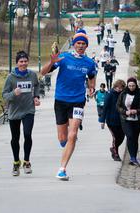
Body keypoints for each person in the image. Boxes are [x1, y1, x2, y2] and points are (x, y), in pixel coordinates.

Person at [41, 32, 97, 181]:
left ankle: (62, 169)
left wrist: (92, 88)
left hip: (78, 101)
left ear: (86, 46)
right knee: (63, 138)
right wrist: (52, 62)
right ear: (74, 44)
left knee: (73, 135)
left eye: (83, 44)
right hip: (61, 100)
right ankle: (67, 140)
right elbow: (42, 72)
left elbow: (92, 77)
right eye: (78, 43)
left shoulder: (89, 63)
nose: (81, 46)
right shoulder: (64, 58)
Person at [2, 50, 40, 176]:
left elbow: (37, 85)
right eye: (21, 61)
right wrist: (13, 93)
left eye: (25, 61)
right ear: (17, 63)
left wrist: (36, 97)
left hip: (28, 110)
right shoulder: (10, 77)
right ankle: (16, 162)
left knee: (28, 134)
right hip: (15, 111)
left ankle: (27, 162)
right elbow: (4, 95)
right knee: (15, 138)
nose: (23, 64)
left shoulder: (32, 75)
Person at [117, 77, 140, 166]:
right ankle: (132, 157)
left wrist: (137, 111)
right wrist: (125, 112)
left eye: (133, 86)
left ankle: (134, 157)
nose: (131, 87)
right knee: (130, 136)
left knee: (135, 138)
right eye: (129, 86)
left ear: (136, 85)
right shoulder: (123, 94)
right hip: (125, 119)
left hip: (137, 119)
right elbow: (118, 106)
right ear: (127, 85)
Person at [99, 79, 126, 161]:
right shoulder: (110, 94)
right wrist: (102, 121)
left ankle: (113, 148)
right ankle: (115, 154)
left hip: (121, 120)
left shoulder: (123, 94)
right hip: (111, 120)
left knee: (121, 137)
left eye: (121, 88)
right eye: (118, 88)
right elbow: (105, 107)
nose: (120, 90)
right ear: (115, 87)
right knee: (115, 137)